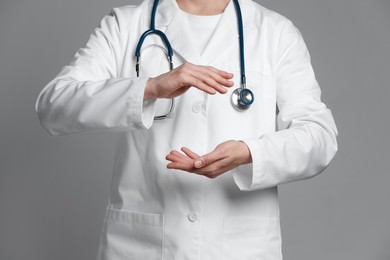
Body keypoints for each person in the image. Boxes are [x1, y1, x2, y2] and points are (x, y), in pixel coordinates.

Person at [35, 0, 338, 259]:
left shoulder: (275, 32)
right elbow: (53, 106)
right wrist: (149, 88)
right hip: (140, 246)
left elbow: (319, 136)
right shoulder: (127, 24)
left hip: (241, 247)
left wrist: (250, 153)